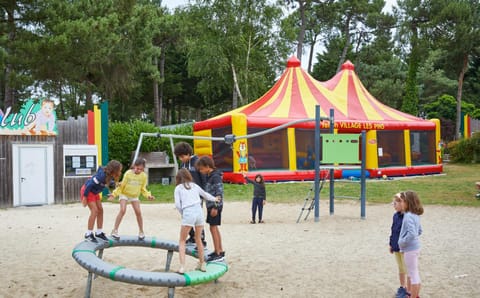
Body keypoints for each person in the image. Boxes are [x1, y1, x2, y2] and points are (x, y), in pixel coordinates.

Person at [174, 168, 219, 274]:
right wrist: (215, 199)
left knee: (182, 241)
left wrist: (183, 214)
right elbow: (205, 195)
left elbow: (177, 205)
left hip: (188, 212)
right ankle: (202, 263)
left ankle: (182, 267)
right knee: (198, 239)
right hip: (199, 212)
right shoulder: (195, 185)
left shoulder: (178, 188)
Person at [109, 158, 155, 240]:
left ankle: (141, 231)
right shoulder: (128, 173)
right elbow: (122, 185)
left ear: (143, 169)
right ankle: (114, 230)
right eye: (137, 168)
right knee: (123, 210)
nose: (138, 170)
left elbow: (143, 189)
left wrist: (148, 196)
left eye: (141, 169)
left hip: (134, 196)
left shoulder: (144, 176)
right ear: (134, 166)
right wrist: (114, 194)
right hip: (124, 194)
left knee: (138, 212)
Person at [173, 142, 207, 247]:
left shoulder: (197, 162)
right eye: (179, 157)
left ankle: (201, 240)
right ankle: (192, 237)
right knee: (187, 217)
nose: (181, 159)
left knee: (197, 217)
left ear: (188, 153)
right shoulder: (183, 164)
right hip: (185, 197)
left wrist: (203, 194)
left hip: (196, 197)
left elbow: (203, 179)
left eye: (182, 156)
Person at [81, 160, 123, 242]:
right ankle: (88, 234)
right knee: (95, 211)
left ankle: (99, 232)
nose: (120, 172)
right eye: (119, 170)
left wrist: (116, 184)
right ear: (114, 170)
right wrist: (85, 198)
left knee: (100, 210)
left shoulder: (109, 176)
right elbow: (89, 184)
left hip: (95, 192)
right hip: (88, 191)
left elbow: (108, 183)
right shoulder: (101, 176)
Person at [196, 156, 225, 262]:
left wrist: (215, 207)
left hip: (215, 206)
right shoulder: (209, 176)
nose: (201, 171)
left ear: (207, 166)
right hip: (210, 206)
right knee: (214, 228)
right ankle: (219, 250)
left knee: (213, 228)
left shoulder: (215, 176)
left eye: (201, 169)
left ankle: (218, 253)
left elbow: (219, 192)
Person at [398, 191, 424, 298]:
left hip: (410, 249)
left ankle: (413, 296)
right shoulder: (415, 215)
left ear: (408, 202)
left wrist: (402, 241)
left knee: (413, 275)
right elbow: (420, 231)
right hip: (415, 248)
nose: (401, 203)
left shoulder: (408, 216)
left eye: (402, 201)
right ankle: (415, 295)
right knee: (414, 273)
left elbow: (413, 233)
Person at [389, 193, 408, 298]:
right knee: (401, 269)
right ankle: (402, 286)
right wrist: (391, 244)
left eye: (395, 203)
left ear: (403, 204)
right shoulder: (395, 216)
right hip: (396, 247)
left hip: (404, 248)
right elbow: (393, 230)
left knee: (407, 269)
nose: (394, 205)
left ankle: (409, 290)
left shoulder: (407, 217)